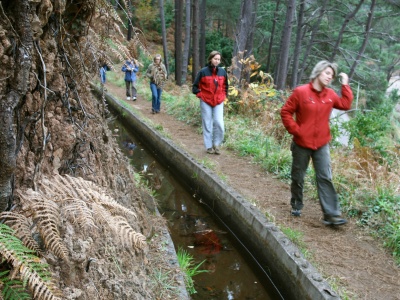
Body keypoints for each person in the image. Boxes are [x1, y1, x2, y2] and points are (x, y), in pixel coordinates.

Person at [280, 60, 353, 226]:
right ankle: (296, 204)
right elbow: (285, 112)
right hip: (301, 144)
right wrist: (296, 130)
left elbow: (345, 104)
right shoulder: (301, 92)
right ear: (318, 72)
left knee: (325, 177)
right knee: (298, 176)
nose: (330, 77)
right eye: (327, 73)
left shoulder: (330, 95)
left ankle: (331, 214)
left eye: (332, 75)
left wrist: (345, 85)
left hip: (321, 144)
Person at [192, 51, 228, 155]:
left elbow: (226, 86)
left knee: (219, 123)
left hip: (218, 101)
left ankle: (216, 144)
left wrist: (224, 95)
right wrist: (200, 95)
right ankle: (208, 146)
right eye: (215, 59)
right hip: (206, 101)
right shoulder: (203, 72)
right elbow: (195, 87)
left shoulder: (222, 72)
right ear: (210, 59)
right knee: (207, 123)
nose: (217, 61)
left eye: (218, 59)